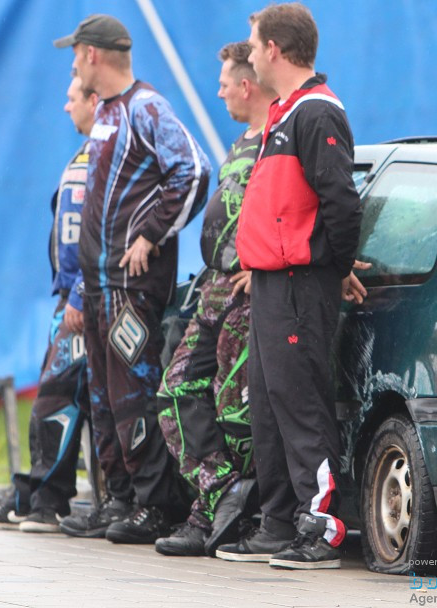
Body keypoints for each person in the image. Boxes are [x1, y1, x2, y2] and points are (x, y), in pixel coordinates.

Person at [216, 3, 365, 570]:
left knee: (302, 405)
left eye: (253, 45)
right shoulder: (283, 111)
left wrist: (331, 265)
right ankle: (279, 523)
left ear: (275, 49)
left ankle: (322, 527)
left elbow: (340, 205)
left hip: (302, 286)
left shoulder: (317, 113)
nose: (249, 55)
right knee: (270, 407)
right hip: (273, 284)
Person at [53, 14, 211, 544]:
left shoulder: (146, 107)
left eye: (75, 53)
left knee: (133, 395)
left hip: (131, 286)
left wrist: (150, 234)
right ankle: (119, 498)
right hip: (98, 286)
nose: (73, 63)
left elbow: (193, 169)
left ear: (93, 54)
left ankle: (156, 505)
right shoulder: (106, 114)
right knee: (102, 398)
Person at [153, 41, 275, 556]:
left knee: (234, 411)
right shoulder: (242, 141)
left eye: (225, 81)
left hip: (248, 297)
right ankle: (221, 490)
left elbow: (290, 209)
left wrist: (263, 262)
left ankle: (224, 519)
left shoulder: (277, 138)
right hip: (213, 289)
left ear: (246, 86)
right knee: (175, 393)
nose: (220, 89)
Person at [0, 76, 102, 532]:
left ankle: (46, 499)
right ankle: (36, 490)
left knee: (57, 399)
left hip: (87, 301)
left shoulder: (107, 153)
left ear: (93, 99)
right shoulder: (84, 153)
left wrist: (83, 293)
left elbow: (102, 233)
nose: (66, 108)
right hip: (69, 299)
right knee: (58, 396)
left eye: (71, 99)